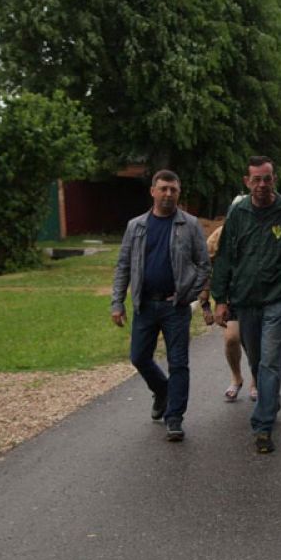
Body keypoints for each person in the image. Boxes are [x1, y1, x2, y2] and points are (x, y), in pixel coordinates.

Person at [211, 156, 281, 454]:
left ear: (274, 179)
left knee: (269, 360)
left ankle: (263, 426)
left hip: (277, 298)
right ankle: (271, 398)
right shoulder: (238, 213)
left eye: (267, 178)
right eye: (256, 179)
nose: (262, 185)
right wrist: (220, 299)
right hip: (244, 299)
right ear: (247, 182)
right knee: (256, 358)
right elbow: (226, 257)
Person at [110, 169, 210, 442]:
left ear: (178, 193)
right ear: (152, 191)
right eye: (163, 188)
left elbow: (204, 265)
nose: (168, 194)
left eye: (173, 190)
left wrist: (186, 295)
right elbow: (124, 265)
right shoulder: (137, 226)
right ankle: (163, 391)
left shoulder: (189, 225)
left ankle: (174, 418)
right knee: (139, 357)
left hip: (175, 307)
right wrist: (117, 302)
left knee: (179, 363)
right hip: (145, 305)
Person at [200, 220, 258, 403]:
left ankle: (256, 381)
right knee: (232, 338)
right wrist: (206, 305)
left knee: (253, 343)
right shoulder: (219, 235)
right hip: (230, 297)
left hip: (255, 296)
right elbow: (205, 268)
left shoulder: (259, 230)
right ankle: (237, 377)